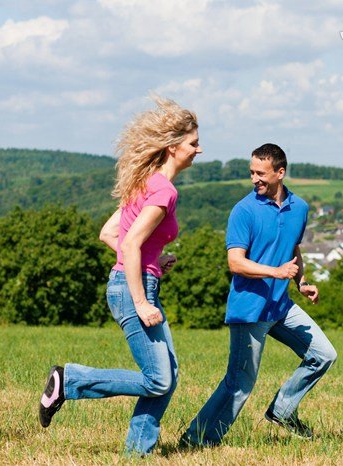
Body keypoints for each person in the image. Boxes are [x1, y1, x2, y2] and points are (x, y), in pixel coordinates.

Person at [38, 96, 201, 456]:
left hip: (136, 282)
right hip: (133, 291)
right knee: (158, 379)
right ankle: (69, 380)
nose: (198, 150)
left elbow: (109, 233)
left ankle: (136, 454)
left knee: (166, 378)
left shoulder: (145, 183)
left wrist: (156, 260)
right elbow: (127, 245)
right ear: (174, 147)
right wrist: (141, 299)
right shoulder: (163, 190)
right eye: (193, 144)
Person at [182, 143, 337, 446]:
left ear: (281, 172)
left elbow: (292, 248)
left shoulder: (300, 208)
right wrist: (275, 272)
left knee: (323, 355)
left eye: (261, 173)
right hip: (250, 309)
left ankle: (282, 410)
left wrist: (301, 282)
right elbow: (235, 262)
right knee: (239, 383)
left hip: (281, 306)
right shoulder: (244, 210)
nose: (255, 179)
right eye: (252, 172)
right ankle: (197, 440)